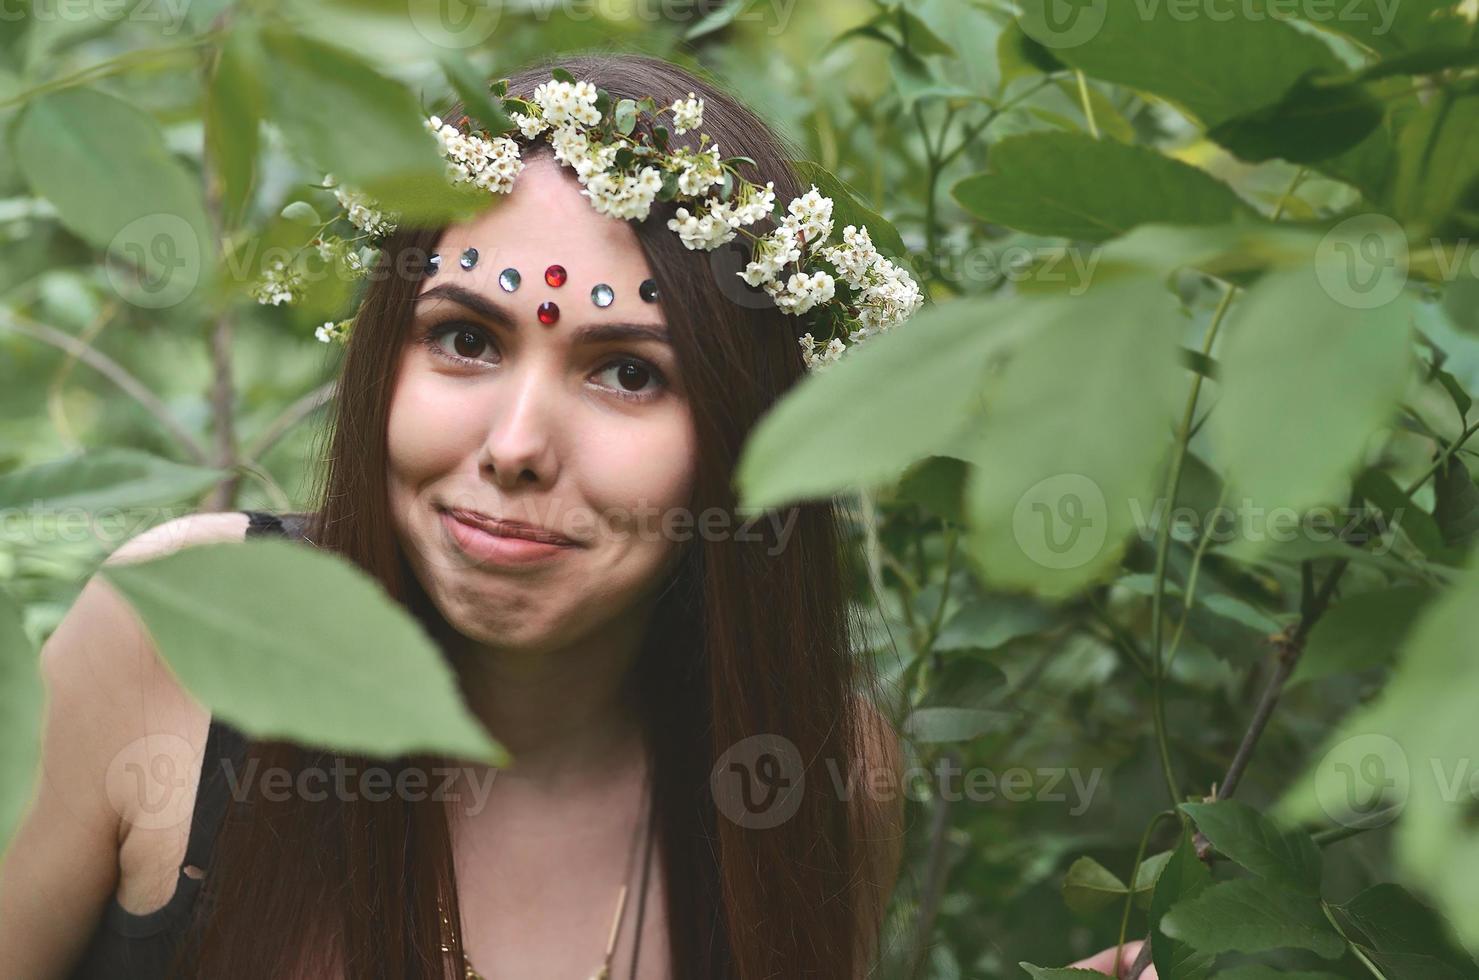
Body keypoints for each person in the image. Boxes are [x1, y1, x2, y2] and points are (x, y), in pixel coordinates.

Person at [0, 52, 1149, 980]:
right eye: (464, 338)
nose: (513, 446)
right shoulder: (183, 637)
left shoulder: (818, 774)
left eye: (629, 373)